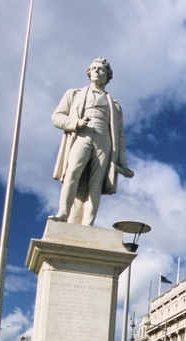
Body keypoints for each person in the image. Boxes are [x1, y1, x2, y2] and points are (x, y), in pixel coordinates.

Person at [50, 57, 134, 226]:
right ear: (89, 73)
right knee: (72, 172)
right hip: (82, 135)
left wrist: (123, 163)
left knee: (95, 185)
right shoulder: (74, 94)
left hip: (104, 141)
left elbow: (120, 136)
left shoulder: (115, 106)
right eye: (94, 68)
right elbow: (56, 117)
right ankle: (63, 213)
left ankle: (88, 223)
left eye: (101, 69)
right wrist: (75, 123)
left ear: (107, 76)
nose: (97, 71)